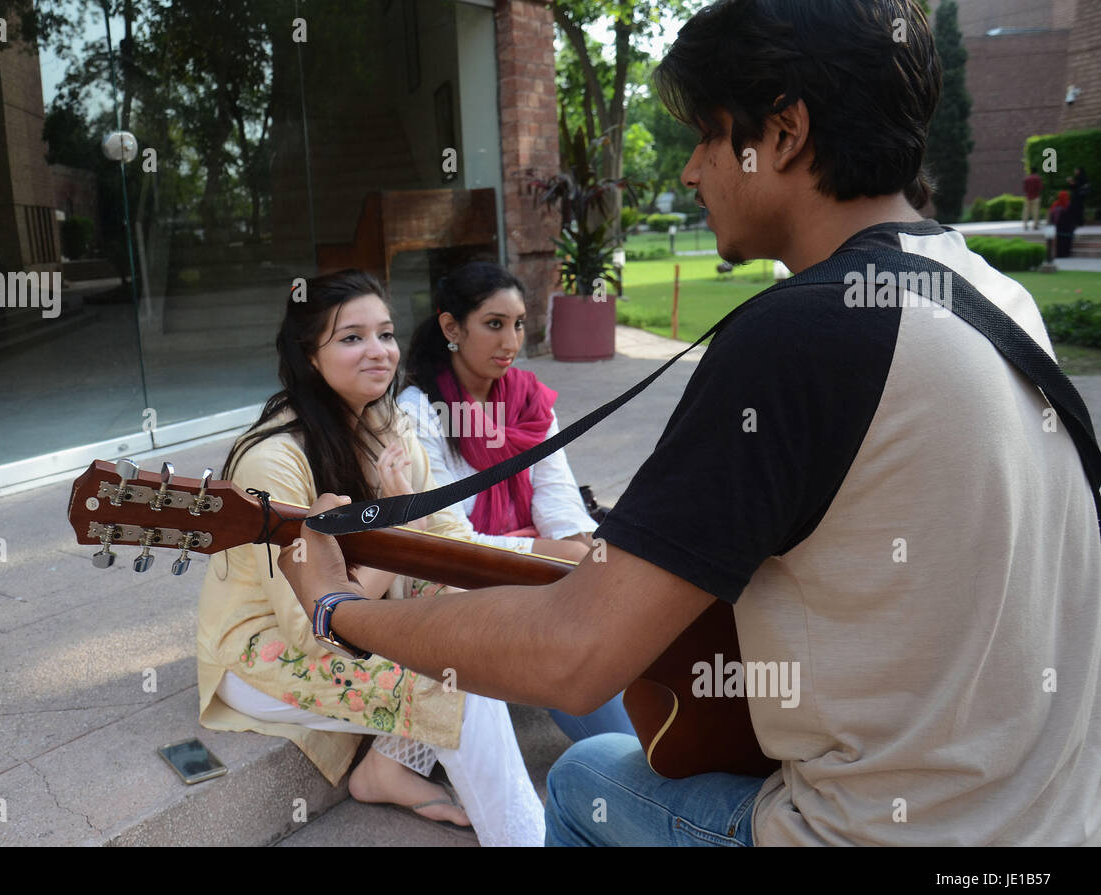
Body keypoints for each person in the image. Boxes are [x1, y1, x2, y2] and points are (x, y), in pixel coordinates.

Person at [274, 0, 1101, 847]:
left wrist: (337, 607)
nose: (692, 172)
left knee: (584, 778)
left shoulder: (803, 334)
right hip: (1049, 829)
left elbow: (573, 655)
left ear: (783, 134)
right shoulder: (999, 298)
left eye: (708, 135)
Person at [195, 268, 545, 846]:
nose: (378, 352)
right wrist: (395, 513)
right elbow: (316, 630)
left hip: (364, 616)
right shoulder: (272, 461)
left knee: (484, 612)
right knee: (459, 680)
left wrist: (548, 570)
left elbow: (455, 544)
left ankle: (389, 763)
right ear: (310, 356)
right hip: (264, 651)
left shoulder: (393, 427)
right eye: (351, 338)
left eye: (385, 334)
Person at [396, 261, 637, 742]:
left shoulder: (527, 400)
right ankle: (631, 762)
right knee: (567, 635)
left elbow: (556, 492)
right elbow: (452, 541)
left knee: (613, 579)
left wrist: (578, 549)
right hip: (458, 574)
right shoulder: (420, 412)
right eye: (493, 324)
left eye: (519, 324)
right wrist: (558, 561)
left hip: (529, 559)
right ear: (451, 327)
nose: (512, 342)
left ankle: (645, 747)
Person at [1058, 167, 1090, 258]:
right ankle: (1079, 221)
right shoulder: (1081, 178)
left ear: (1079, 171)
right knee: (1079, 209)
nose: (1075, 171)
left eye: (1076, 170)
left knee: (1077, 209)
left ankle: (1078, 221)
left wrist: (1071, 181)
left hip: (1078, 197)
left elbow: (1077, 186)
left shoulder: (1081, 178)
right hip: (1079, 197)